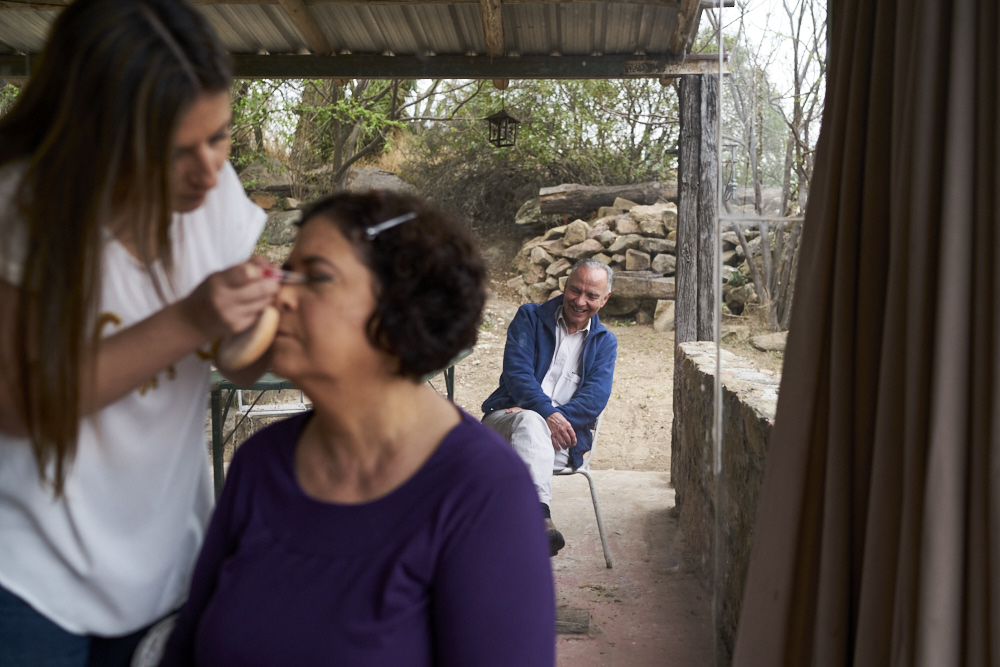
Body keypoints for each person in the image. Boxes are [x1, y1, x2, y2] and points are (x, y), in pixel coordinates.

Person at [160, 191, 556, 666]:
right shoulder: (262, 463)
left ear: (400, 313)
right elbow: (186, 650)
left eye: (317, 277)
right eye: (287, 271)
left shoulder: (484, 491)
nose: (280, 294)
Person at [0, 1, 279, 664]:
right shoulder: (18, 204)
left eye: (220, 137)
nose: (210, 170)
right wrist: (190, 319)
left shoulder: (209, 193)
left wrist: (246, 333)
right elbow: (21, 406)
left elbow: (239, 361)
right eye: (178, 151)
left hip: (165, 559)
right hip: (26, 569)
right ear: (97, 136)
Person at [482, 259, 618, 556]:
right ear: (565, 285)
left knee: (532, 422)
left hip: (561, 442)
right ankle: (539, 518)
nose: (580, 301)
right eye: (575, 290)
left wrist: (548, 419)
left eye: (592, 296)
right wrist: (543, 415)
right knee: (528, 422)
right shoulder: (529, 317)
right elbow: (517, 376)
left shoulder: (605, 343)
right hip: (504, 426)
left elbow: (595, 399)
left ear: (605, 299)